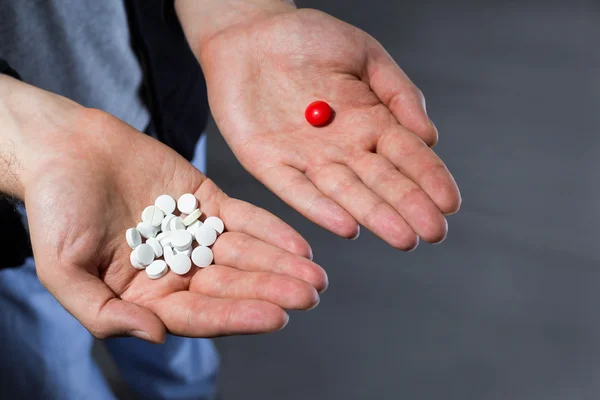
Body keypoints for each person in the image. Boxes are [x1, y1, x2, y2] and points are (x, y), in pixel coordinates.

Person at [0, 0, 461, 398]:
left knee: (182, 341)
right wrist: (23, 142)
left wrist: (239, 14)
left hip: (161, 147)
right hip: (17, 218)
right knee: (52, 380)